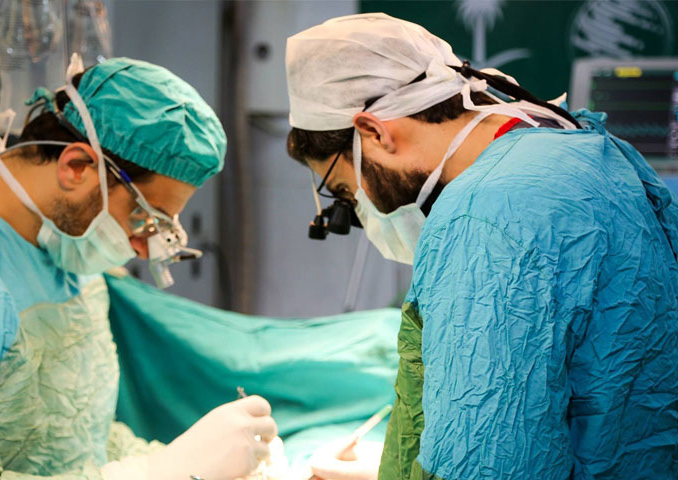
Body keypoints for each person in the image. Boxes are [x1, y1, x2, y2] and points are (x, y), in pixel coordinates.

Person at [285, 13, 678, 480]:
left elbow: (486, 459)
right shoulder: (580, 146)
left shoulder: (485, 212)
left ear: (373, 132)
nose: (359, 211)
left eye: (347, 192)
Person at [0, 55, 277, 479]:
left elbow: (74, 433)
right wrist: (158, 473)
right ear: (76, 167)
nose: (143, 248)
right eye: (145, 218)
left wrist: (175, 459)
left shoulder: (68, 242)